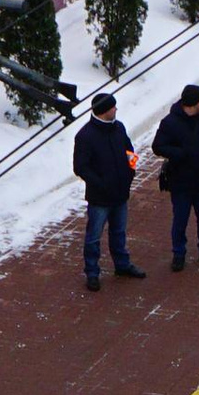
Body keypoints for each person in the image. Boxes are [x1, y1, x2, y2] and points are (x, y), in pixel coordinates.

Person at [72, 92, 143, 290]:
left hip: (121, 193)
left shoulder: (118, 127)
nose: (116, 110)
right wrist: (101, 184)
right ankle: (92, 272)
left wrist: (131, 171)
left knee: (119, 232)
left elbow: (130, 152)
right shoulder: (85, 136)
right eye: (113, 107)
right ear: (104, 111)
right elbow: (81, 167)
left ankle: (122, 264)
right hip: (99, 198)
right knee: (94, 237)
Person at [153, 81, 199, 269]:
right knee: (180, 220)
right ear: (193, 103)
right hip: (181, 181)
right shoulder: (170, 123)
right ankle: (179, 254)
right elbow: (158, 146)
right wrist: (180, 153)